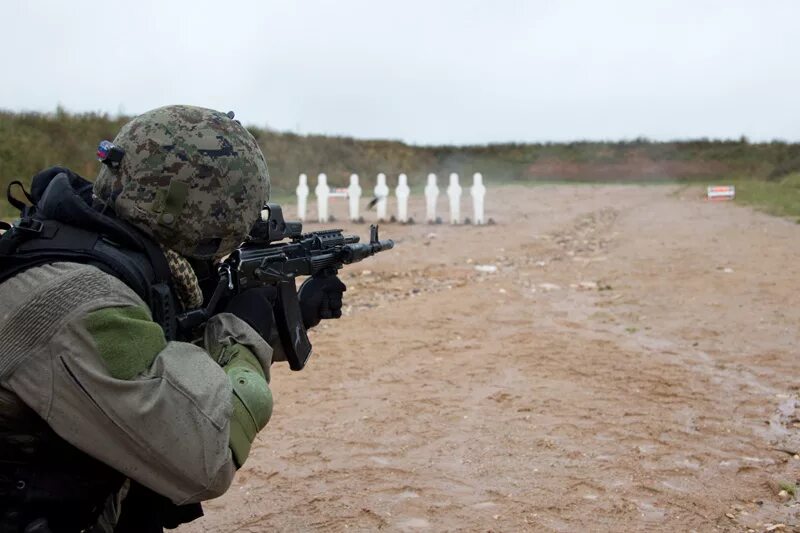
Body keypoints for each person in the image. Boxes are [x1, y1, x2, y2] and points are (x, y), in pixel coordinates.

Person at [0, 105, 345, 532]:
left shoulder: (95, 252)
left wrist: (283, 322)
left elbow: (159, 359)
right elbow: (205, 454)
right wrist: (246, 335)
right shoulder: (79, 305)